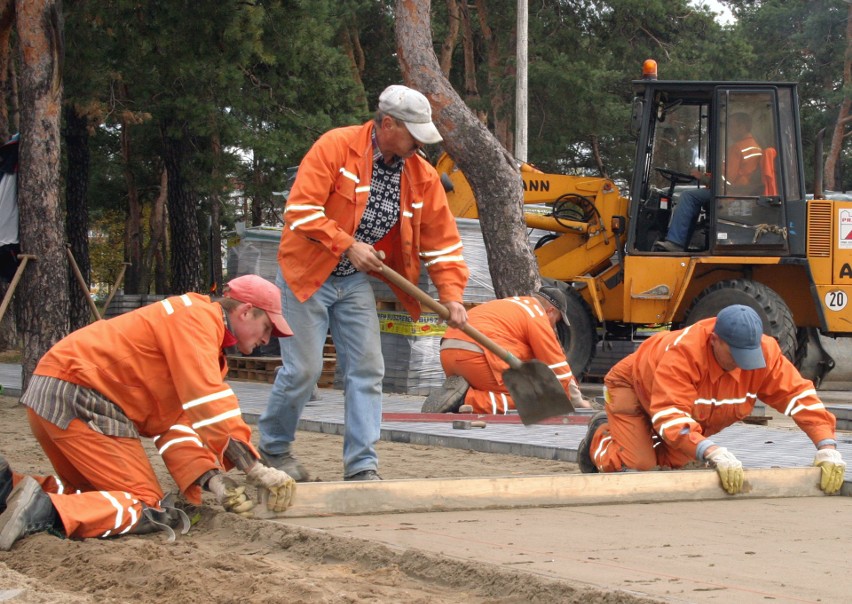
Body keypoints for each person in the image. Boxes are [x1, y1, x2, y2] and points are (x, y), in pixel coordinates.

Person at [258, 84, 469, 482]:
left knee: (368, 369)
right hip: (306, 274)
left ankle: (361, 466)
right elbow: (300, 210)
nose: (418, 146)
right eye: (413, 136)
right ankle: (273, 447)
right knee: (303, 371)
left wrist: (452, 296)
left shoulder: (420, 175)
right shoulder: (335, 147)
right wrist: (347, 244)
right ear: (387, 124)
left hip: (352, 280)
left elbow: (442, 245)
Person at [0, 275, 298, 551]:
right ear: (245, 311)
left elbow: (176, 425)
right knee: (144, 504)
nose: (266, 340)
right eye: (268, 328)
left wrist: (213, 480)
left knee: (93, 496)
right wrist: (254, 467)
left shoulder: (194, 330)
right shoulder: (198, 319)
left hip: (57, 392)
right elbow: (209, 402)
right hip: (82, 396)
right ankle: (40, 510)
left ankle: (7, 489)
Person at [577, 305, 846, 496]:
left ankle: (638, 443)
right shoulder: (683, 355)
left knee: (675, 462)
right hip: (633, 387)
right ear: (715, 340)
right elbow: (670, 415)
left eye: (748, 355)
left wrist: (827, 446)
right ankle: (600, 437)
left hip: (684, 407)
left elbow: (799, 396)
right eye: (736, 354)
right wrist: (712, 451)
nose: (743, 365)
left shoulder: (765, 353)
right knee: (638, 467)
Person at [423, 286, 592, 414]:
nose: (555, 326)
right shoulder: (536, 314)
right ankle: (465, 399)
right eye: (557, 320)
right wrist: (577, 401)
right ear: (551, 311)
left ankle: (458, 392)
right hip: (476, 357)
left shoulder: (512, 304)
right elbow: (557, 367)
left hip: (448, 352)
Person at [655, 112, 763, 252]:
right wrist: (706, 176)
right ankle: (681, 242)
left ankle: (676, 242)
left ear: (742, 126)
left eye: (732, 126)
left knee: (688, 197)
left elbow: (725, 183)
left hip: (730, 194)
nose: (729, 130)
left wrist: (703, 177)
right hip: (739, 191)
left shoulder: (738, 148)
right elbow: (730, 176)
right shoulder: (753, 146)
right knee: (689, 193)